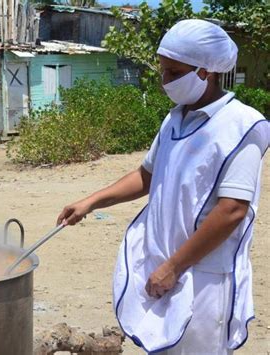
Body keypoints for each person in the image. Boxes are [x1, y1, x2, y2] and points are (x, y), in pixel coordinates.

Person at [57, 19, 268, 354]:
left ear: (205, 72)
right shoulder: (175, 119)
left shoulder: (242, 127)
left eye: (174, 72)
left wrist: (175, 266)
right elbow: (148, 175)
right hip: (167, 266)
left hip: (203, 277)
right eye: (163, 71)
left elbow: (232, 211)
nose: (164, 81)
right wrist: (91, 202)